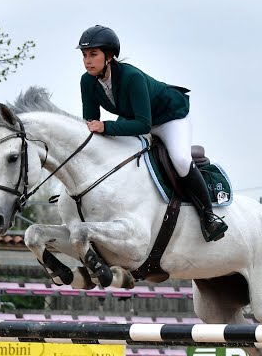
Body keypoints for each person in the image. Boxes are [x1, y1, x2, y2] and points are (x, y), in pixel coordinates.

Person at [77, 24, 228, 242]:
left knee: (180, 159)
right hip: (135, 118)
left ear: (109, 56)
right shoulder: (87, 81)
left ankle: (209, 216)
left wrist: (106, 127)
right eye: (84, 55)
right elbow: (91, 123)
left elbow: (143, 125)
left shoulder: (131, 77)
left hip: (169, 117)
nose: (87, 61)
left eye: (93, 54)